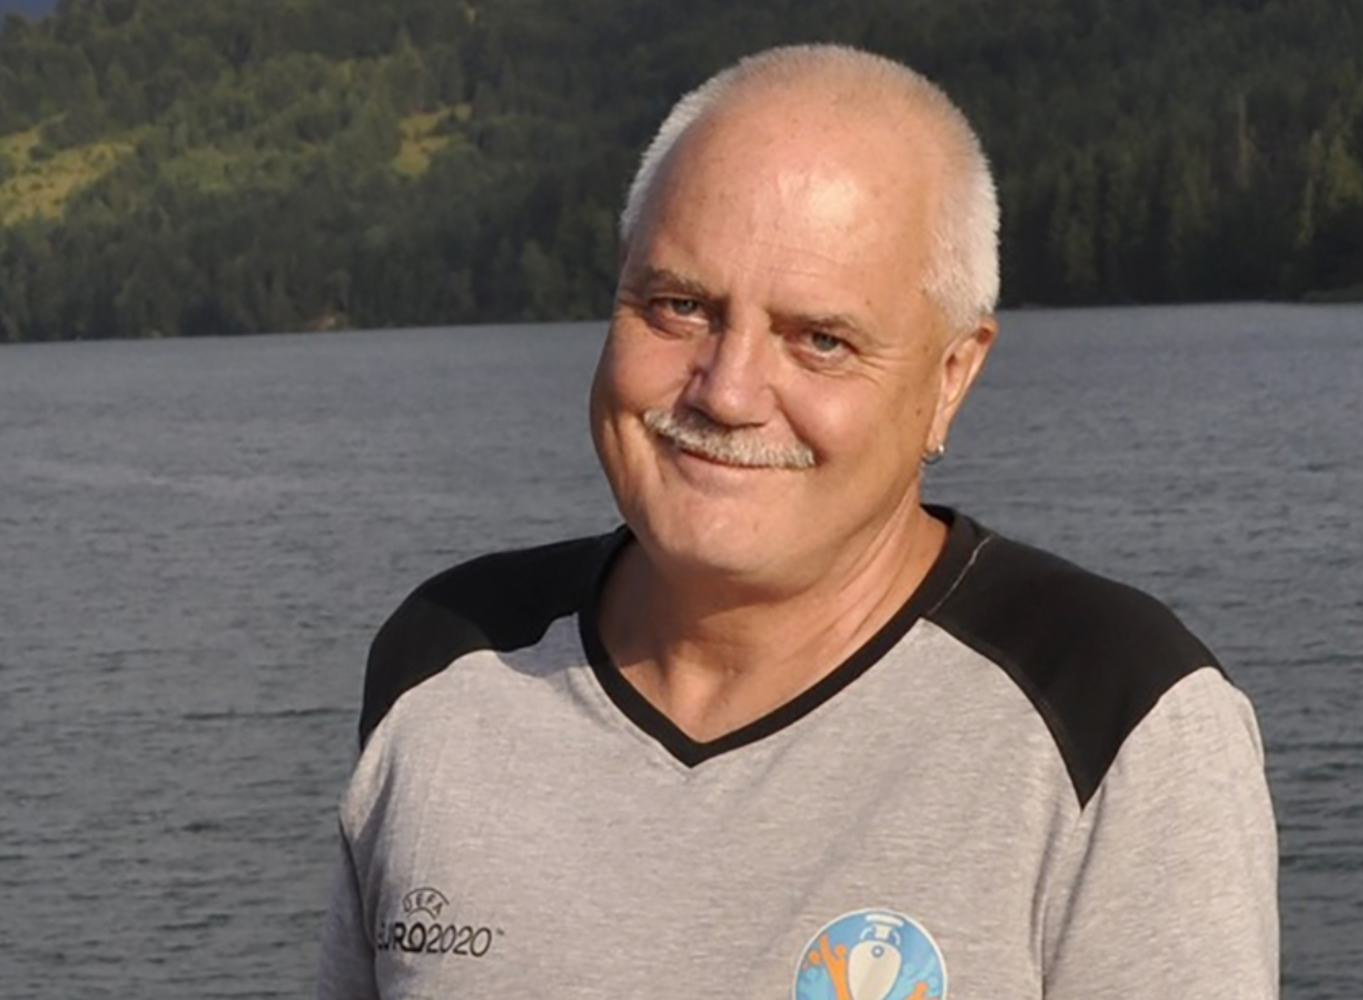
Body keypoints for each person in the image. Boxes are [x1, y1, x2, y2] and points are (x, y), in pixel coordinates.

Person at [316, 44, 1278, 999]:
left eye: (820, 339)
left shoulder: (1112, 710)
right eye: (679, 307)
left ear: (951, 377)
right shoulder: (448, 665)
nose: (728, 392)